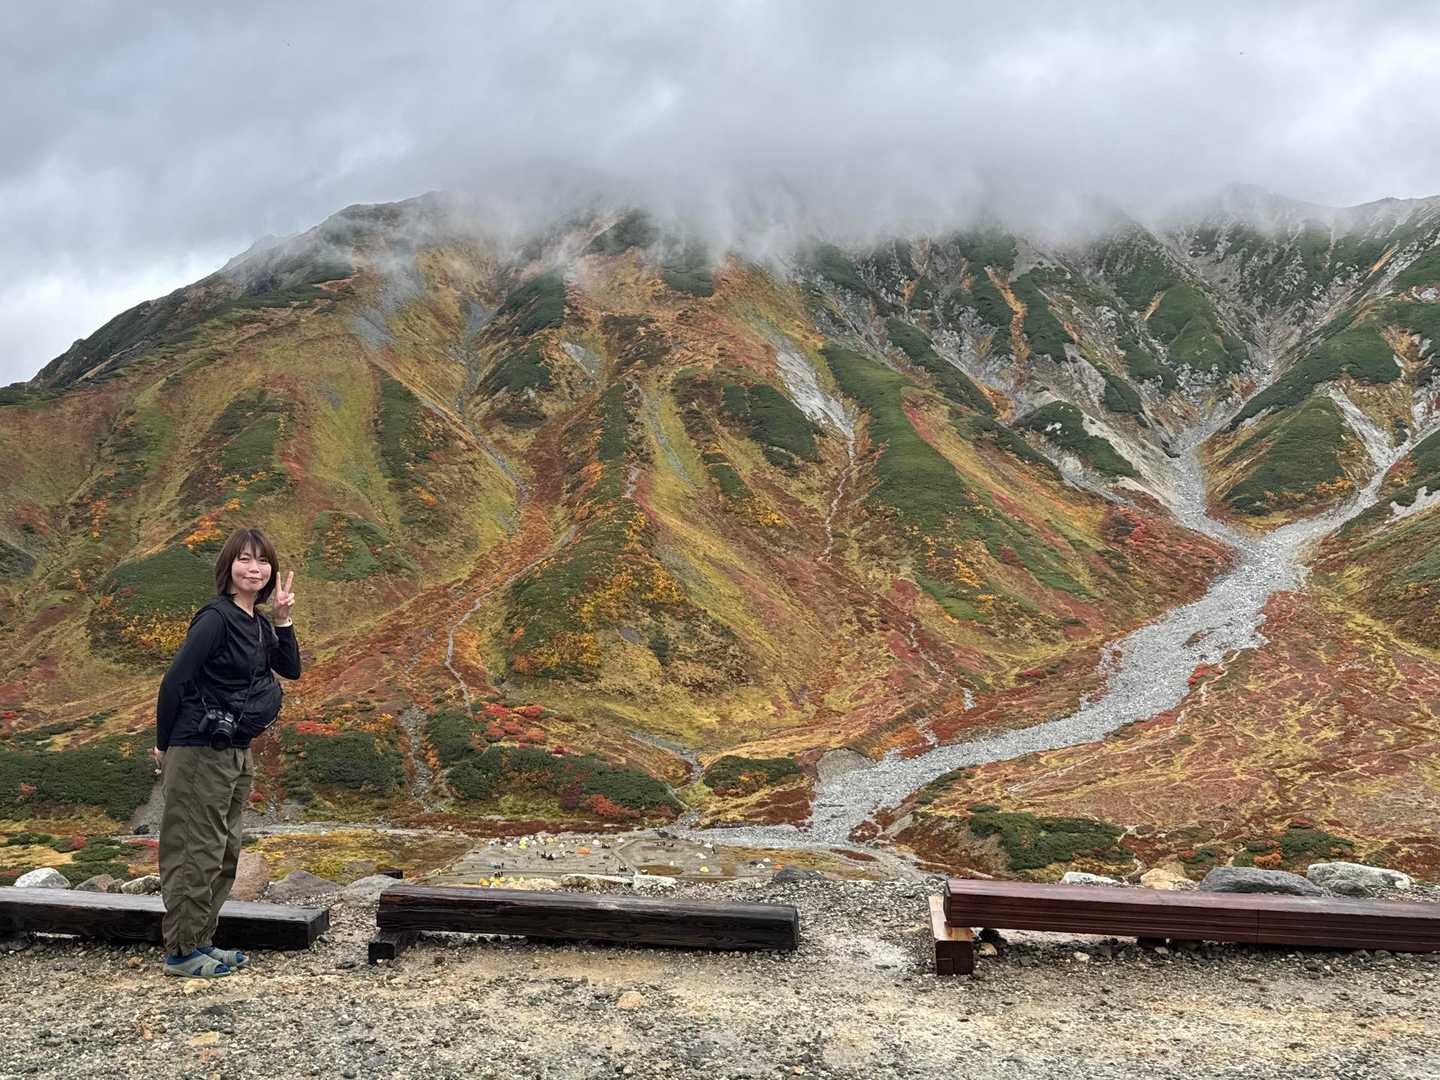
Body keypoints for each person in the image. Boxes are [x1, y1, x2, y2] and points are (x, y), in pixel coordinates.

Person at [153, 526, 301, 977]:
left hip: (234, 748)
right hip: (198, 748)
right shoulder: (215, 618)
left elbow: (290, 669)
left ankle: (201, 939)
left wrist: (282, 620)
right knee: (195, 848)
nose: (255, 568)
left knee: (223, 850)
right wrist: (163, 742)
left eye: (263, 560)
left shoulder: (255, 622)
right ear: (228, 566)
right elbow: (174, 680)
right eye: (245, 559)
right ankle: (181, 952)